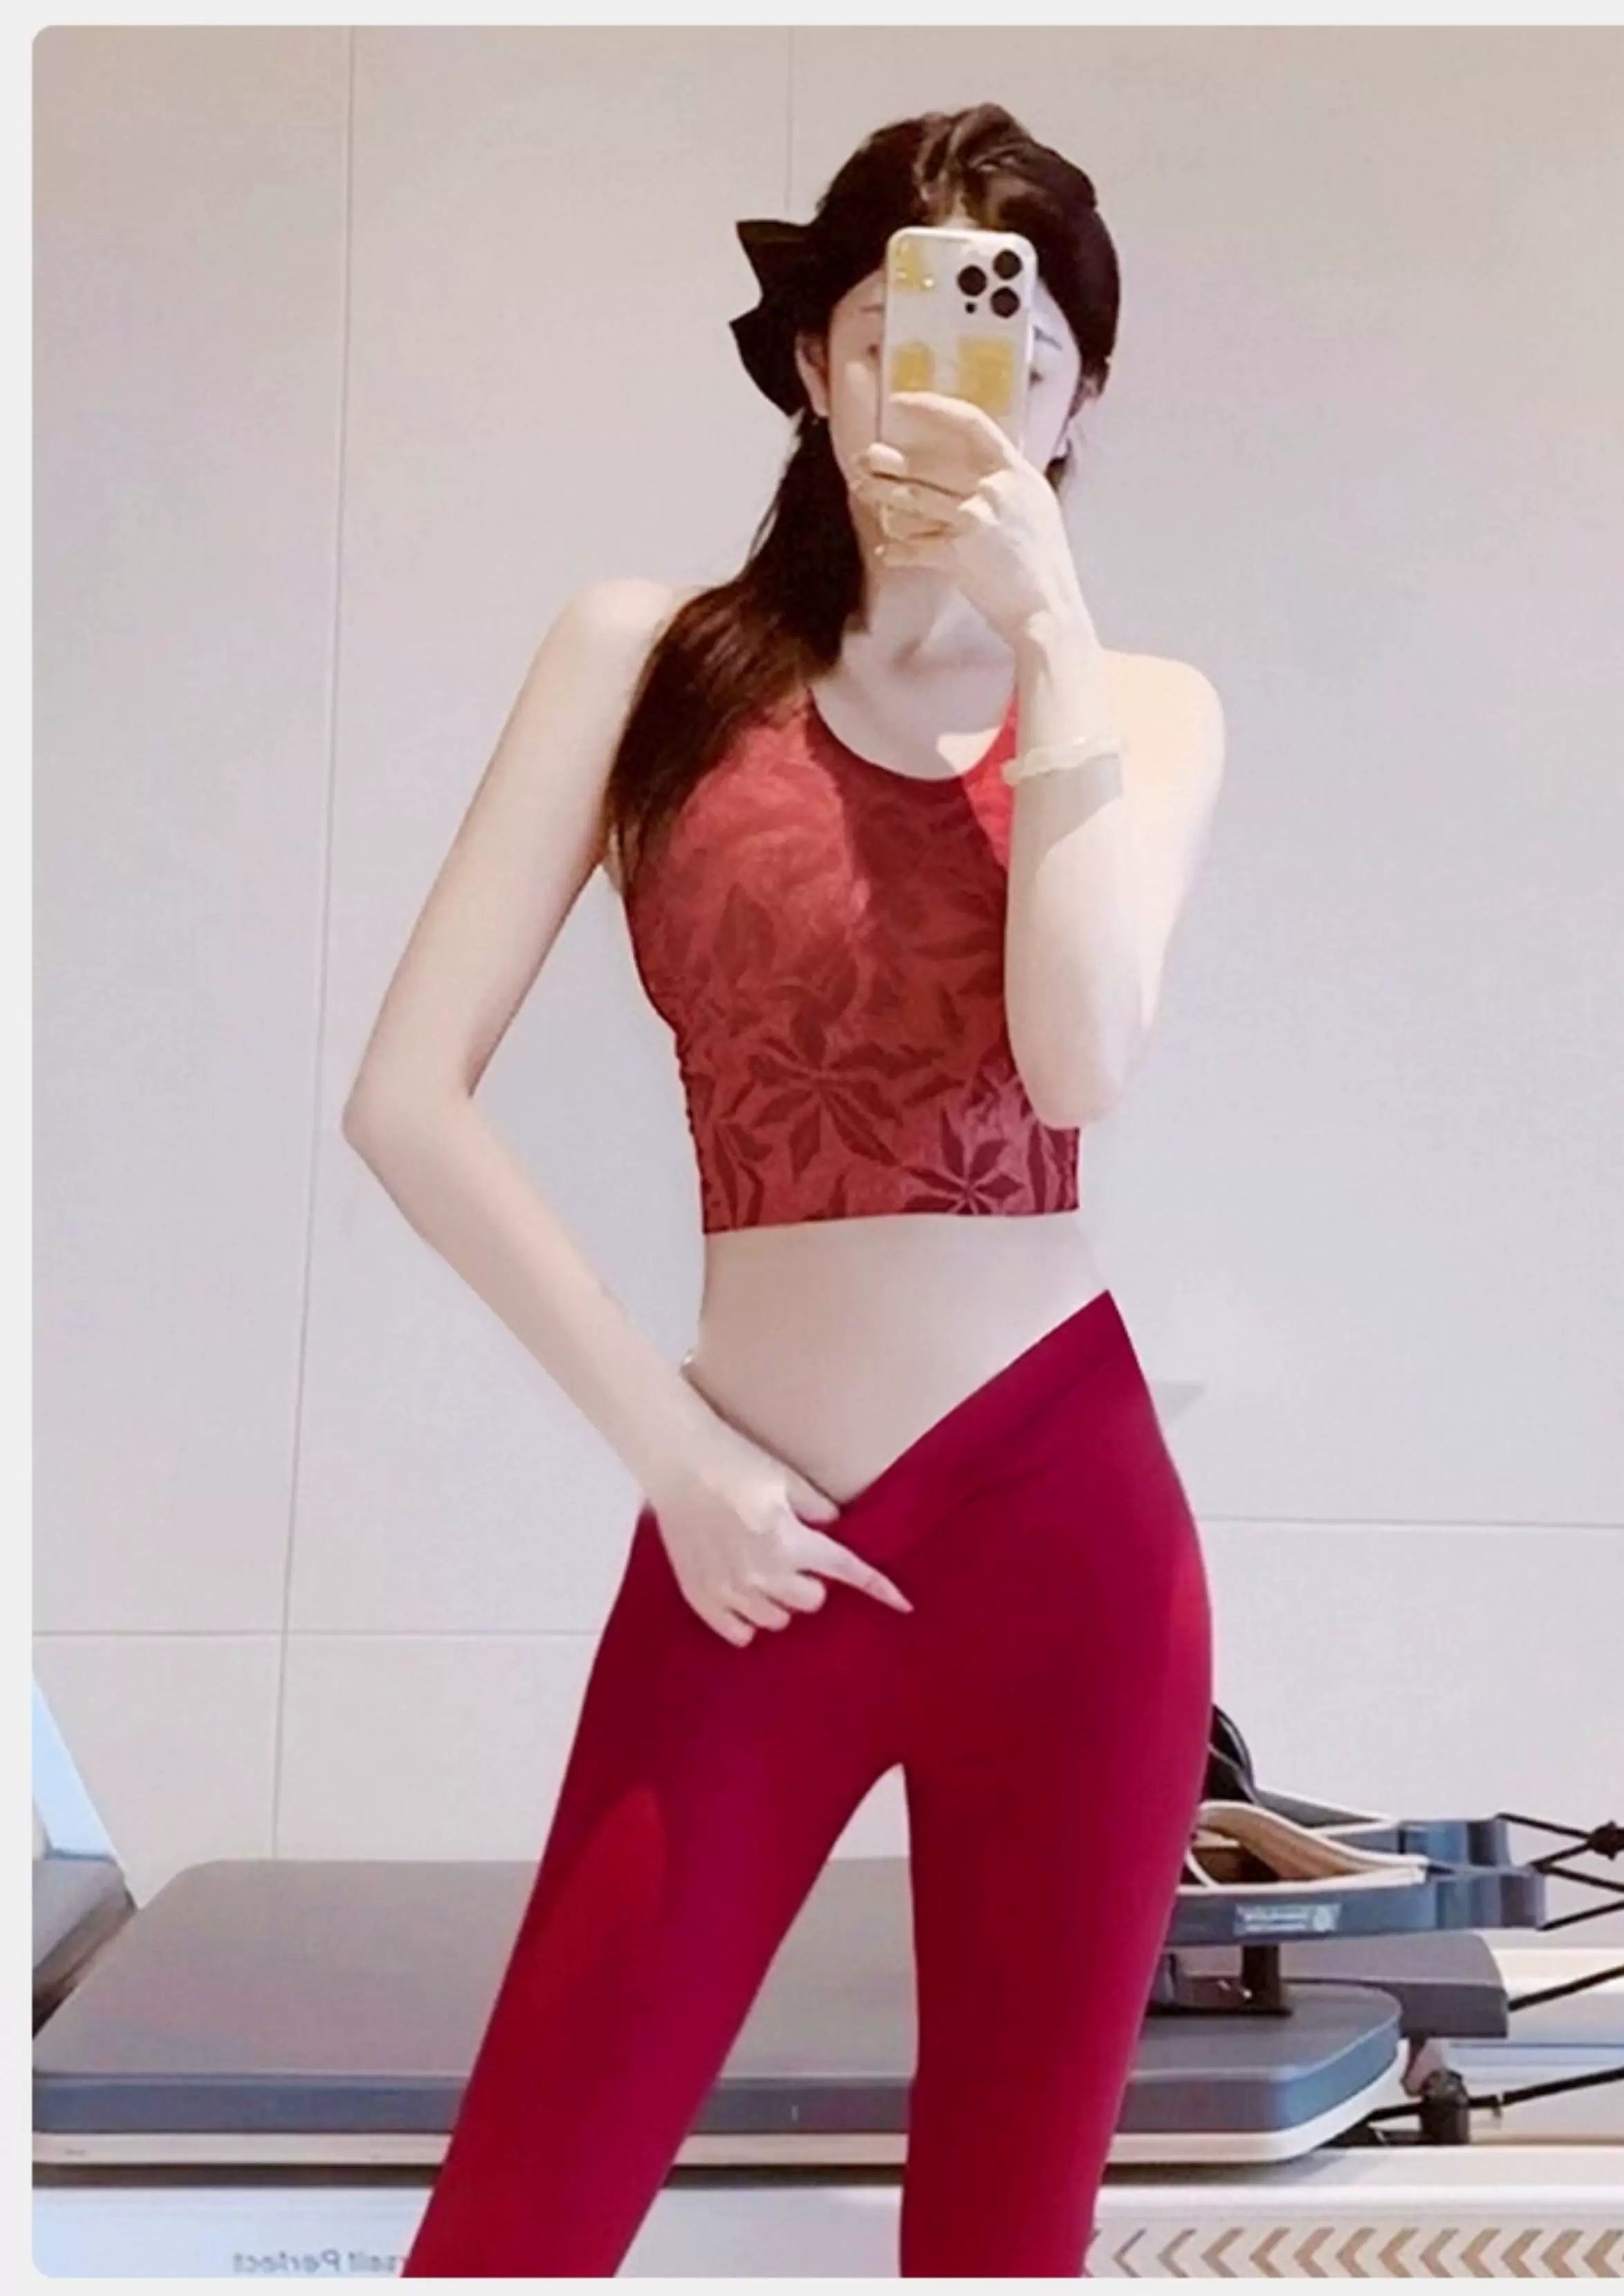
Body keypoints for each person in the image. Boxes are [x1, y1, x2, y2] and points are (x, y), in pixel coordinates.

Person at [351, 100, 1226, 2281]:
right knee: (515, 2230)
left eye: (1011, 346)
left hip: (1066, 1528)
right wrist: (677, 1460)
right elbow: (405, 1100)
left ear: (1077, 398)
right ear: (818, 365)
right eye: (888, 332)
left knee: (1001, 2245)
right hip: (750, 1530)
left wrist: (1048, 637)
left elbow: (1079, 1064)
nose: (945, 388)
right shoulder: (645, 659)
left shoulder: (1140, 710)